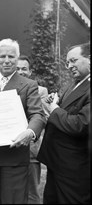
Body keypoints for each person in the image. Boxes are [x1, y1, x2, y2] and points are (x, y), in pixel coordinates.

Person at [0, 38, 46, 204]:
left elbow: (38, 114)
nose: (7, 61)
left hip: (15, 156)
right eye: (3, 56)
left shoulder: (29, 85)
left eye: (11, 57)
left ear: (17, 58)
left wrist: (30, 131)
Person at [37, 42, 90, 204]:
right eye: (67, 62)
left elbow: (81, 124)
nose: (69, 66)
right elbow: (63, 110)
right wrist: (53, 102)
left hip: (74, 168)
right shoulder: (73, 84)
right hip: (56, 162)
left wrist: (54, 109)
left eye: (73, 60)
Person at [17, 55, 48, 204]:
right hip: (9, 148)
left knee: (32, 192)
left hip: (30, 149)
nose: (21, 71)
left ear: (30, 72)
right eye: (17, 69)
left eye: (24, 69)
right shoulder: (5, 89)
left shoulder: (40, 90)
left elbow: (42, 118)